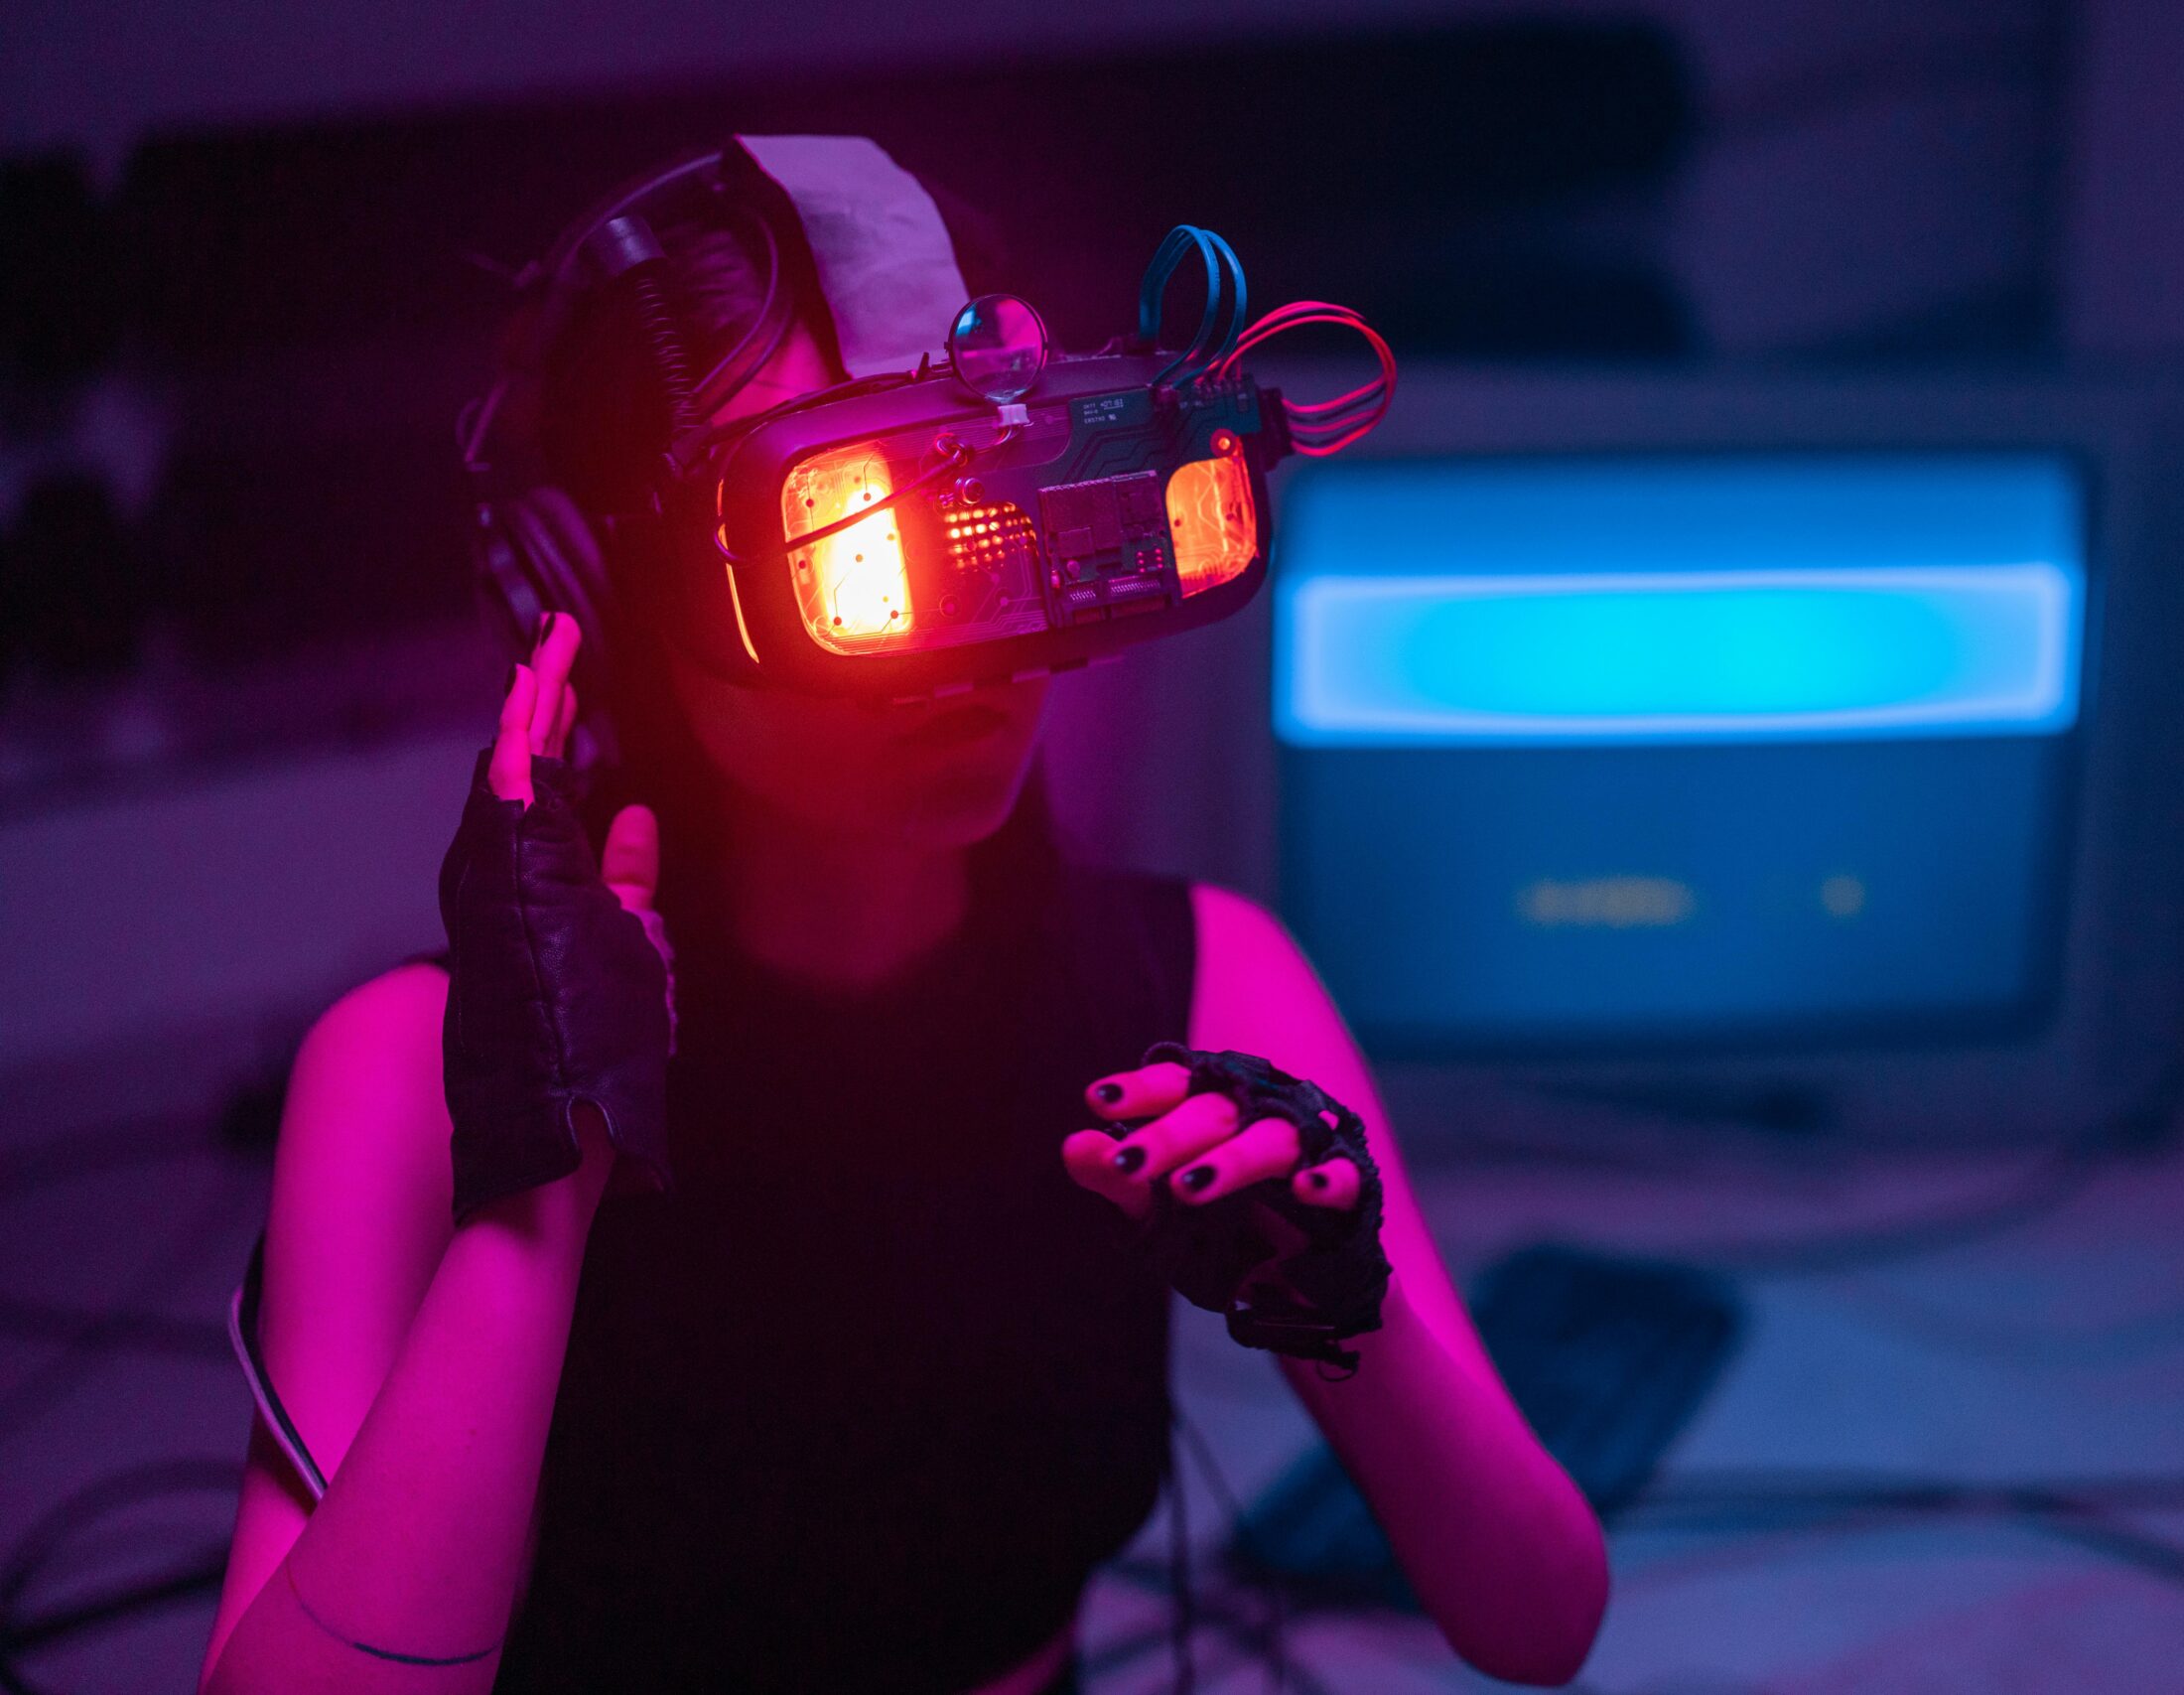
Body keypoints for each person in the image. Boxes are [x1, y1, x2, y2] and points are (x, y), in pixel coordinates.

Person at [196, 137, 1607, 1695]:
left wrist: (1355, 1311)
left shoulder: (1197, 993)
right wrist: (540, 1200)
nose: (963, 635)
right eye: (849, 541)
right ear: (595, 595)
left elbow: (1541, 1623)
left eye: (992, 500)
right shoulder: (405, 1077)